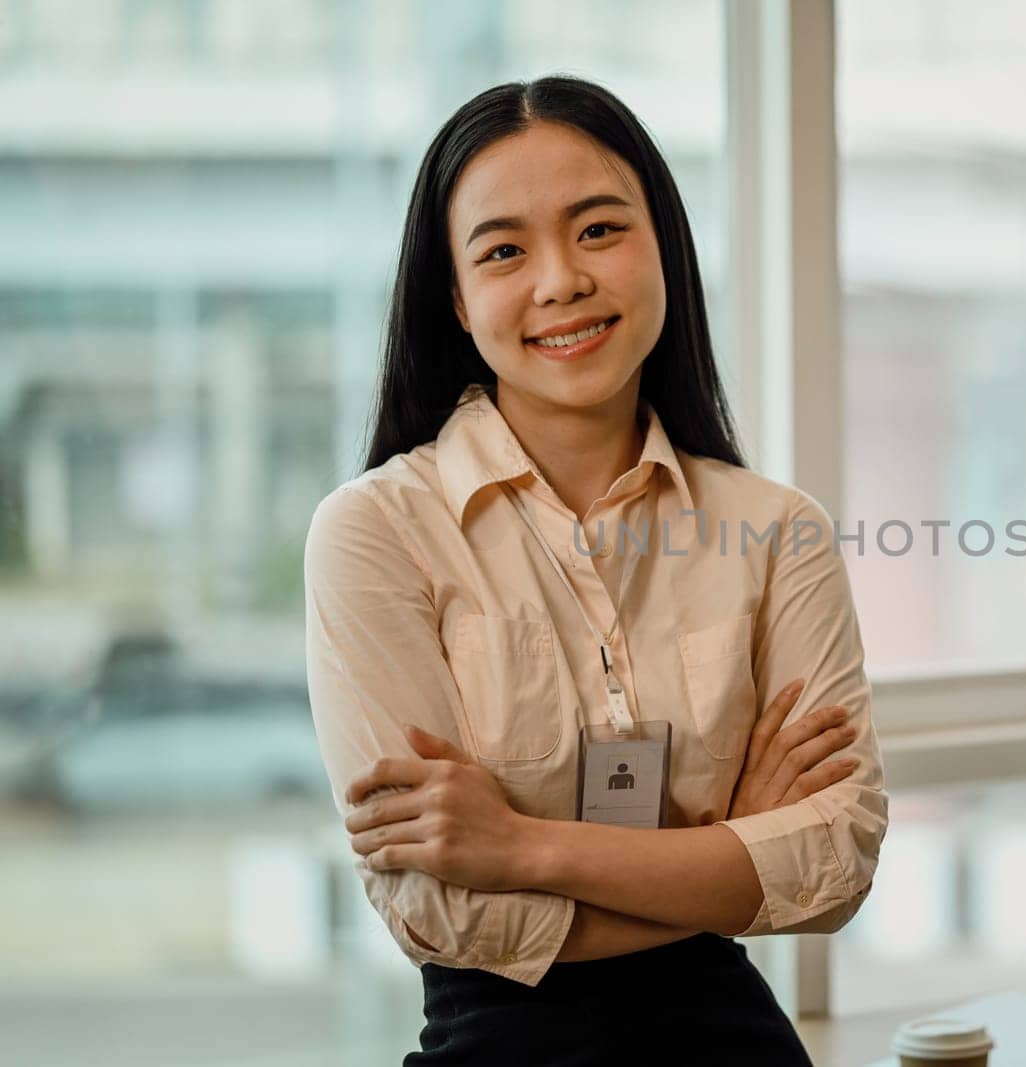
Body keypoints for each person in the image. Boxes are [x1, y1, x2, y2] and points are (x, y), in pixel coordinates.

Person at [302, 76, 889, 1065]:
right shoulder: (375, 533)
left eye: (599, 230)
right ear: (454, 296)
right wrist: (729, 844)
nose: (560, 280)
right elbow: (440, 907)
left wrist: (522, 846)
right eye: (503, 250)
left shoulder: (778, 530)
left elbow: (835, 863)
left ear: (663, 244)